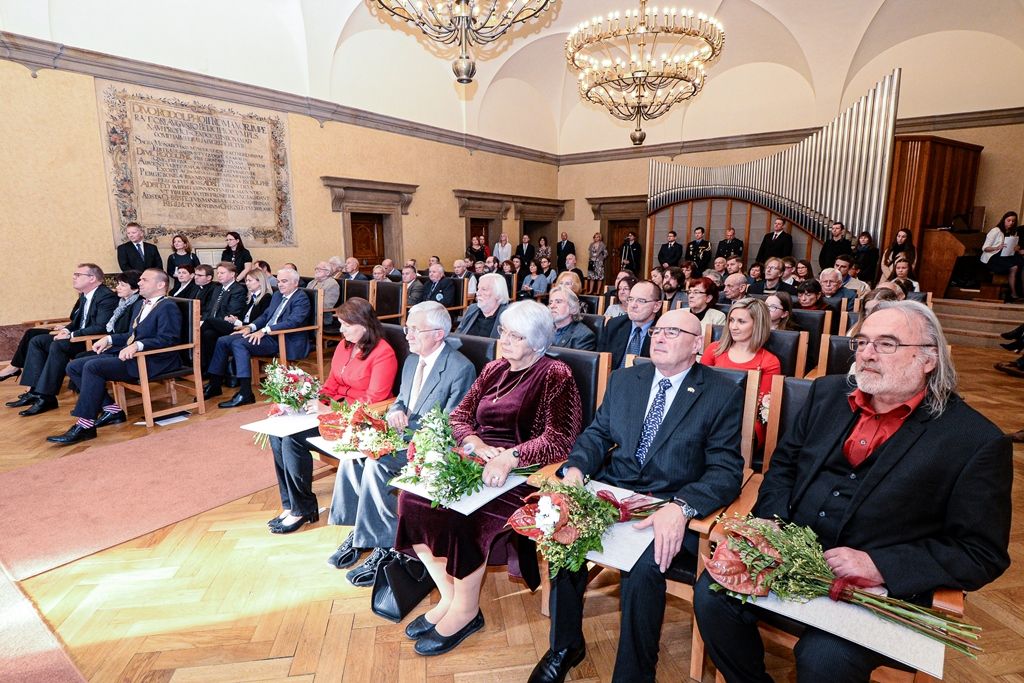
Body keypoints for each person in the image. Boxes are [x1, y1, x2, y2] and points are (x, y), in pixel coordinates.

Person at [695, 302, 1012, 683]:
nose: (867, 353)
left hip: (879, 590)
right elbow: (783, 466)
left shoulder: (975, 441)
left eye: (887, 344)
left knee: (824, 658)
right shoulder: (826, 394)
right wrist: (771, 523)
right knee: (712, 595)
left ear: (928, 359)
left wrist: (880, 566)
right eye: (861, 342)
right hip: (791, 558)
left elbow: (981, 553)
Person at [529, 308, 744, 683]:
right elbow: (597, 435)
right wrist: (576, 468)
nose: (659, 337)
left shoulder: (721, 393)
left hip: (670, 503)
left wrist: (682, 507)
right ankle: (565, 646)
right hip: (615, 490)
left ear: (697, 344)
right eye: (658, 330)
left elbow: (726, 471)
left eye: (672, 332)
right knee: (565, 534)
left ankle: (634, 673)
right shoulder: (626, 379)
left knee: (644, 570)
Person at [395, 300, 583, 656]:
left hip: (524, 472)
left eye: (516, 336)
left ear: (538, 342)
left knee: (462, 518)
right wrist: (475, 441)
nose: (505, 341)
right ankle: (450, 599)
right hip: (475, 458)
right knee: (411, 501)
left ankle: (467, 612)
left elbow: (561, 438)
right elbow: (460, 416)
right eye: (503, 332)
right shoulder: (494, 368)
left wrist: (512, 457)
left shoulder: (556, 373)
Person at [328, 301, 477, 583]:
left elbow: (452, 424)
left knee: (376, 465)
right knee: (352, 455)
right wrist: (396, 411)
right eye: (407, 328)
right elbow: (400, 400)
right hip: (401, 437)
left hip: (430, 447)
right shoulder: (412, 360)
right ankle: (360, 534)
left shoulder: (460, 369)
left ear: (438, 334)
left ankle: (386, 547)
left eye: (414, 330)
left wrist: (409, 437)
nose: (407, 335)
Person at [267, 298, 398, 536]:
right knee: (276, 433)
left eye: (346, 324)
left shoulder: (383, 353)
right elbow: (331, 384)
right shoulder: (344, 346)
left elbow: (374, 400)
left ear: (364, 324)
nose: (341, 330)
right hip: (334, 411)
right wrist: (305, 400)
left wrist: (332, 409)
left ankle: (303, 508)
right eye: (340, 324)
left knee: (292, 440)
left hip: (361, 421)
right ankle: (290, 504)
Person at [47, 269, 181, 445]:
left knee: (92, 367)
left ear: (160, 285)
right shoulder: (142, 304)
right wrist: (108, 338)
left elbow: (168, 339)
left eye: (144, 280)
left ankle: (85, 425)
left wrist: (138, 345)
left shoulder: (168, 306)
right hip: (135, 355)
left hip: (154, 360)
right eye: (139, 279)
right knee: (74, 366)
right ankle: (113, 410)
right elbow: (131, 334)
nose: (139, 282)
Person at [7, 264, 118, 416]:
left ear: (92, 278)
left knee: (58, 345)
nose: (74, 277)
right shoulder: (85, 295)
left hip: (94, 342)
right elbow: (78, 321)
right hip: (80, 337)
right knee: (37, 340)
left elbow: (102, 327)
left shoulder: (106, 296)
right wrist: (66, 329)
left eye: (78, 275)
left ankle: (46, 396)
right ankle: (35, 392)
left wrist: (71, 335)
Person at [203, 268, 311, 408]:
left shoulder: (301, 298)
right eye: (278, 281)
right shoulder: (278, 295)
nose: (280, 284)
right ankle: (215, 384)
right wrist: (250, 327)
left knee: (239, 344)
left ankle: (245, 392)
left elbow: (293, 322)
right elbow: (266, 316)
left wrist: (264, 330)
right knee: (223, 340)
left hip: (283, 339)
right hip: (267, 335)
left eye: (284, 281)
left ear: (295, 283)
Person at [702, 297, 781, 445]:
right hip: (707, 416)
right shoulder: (714, 349)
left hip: (744, 425)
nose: (733, 326)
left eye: (741, 321)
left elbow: (761, 410)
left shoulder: (769, 361)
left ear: (758, 325)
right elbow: (698, 387)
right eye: (731, 320)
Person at [200, 267, 269, 373]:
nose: (247, 283)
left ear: (260, 282)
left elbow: (258, 321)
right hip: (239, 325)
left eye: (250, 281)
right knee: (209, 334)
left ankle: (196, 356)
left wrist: (237, 322)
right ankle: (209, 370)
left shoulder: (266, 298)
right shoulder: (251, 297)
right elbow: (244, 316)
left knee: (209, 321)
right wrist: (235, 319)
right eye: (246, 281)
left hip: (248, 330)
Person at [602, 280, 662, 368]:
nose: (633, 305)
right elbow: (601, 363)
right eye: (630, 299)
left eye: (641, 301)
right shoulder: (614, 325)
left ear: (656, 306)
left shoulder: (663, 333)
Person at [980, 211, 1023, 300]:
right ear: (1004, 220)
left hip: (1003, 255)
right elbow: (984, 248)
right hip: (992, 257)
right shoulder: (995, 231)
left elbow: (1009, 247)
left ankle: (1016, 292)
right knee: (1014, 266)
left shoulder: (1012, 232)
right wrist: (997, 247)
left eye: (1013, 221)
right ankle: (1014, 293)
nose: (1011, 223)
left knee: (1019, 261)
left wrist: (1016, 248)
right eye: (1009, 220)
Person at [455, 272, 509, 338]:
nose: (478, 293)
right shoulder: (472, 309)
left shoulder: (508, 316)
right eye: (478, 289)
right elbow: (458, 334)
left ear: (498, 294)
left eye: (484, 289)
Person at [548, 285, 596, 351]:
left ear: (572, 308)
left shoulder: (583, 336)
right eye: (550, 302)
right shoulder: (543, 329)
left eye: (558, 302)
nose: (552, 306)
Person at [307, 261, 341, 325]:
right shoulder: (312, 282)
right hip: (309, 312)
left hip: (321, 316)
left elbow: (327, 305)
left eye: (320, 269)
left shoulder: (332, 284)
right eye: (316, 268)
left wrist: (306, 306)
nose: (317, 270)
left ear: (327, 272)